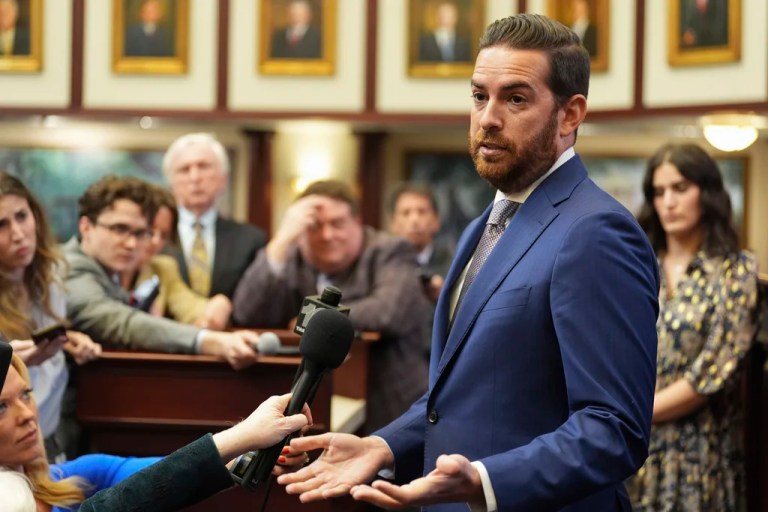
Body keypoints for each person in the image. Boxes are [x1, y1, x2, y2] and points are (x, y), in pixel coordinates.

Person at [277, 14, 660, 511]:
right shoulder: (483, 225)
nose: (488, 118)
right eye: (480, 96)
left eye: (515, 99)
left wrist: (485, 480)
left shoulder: (596, 232)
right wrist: (383, 446)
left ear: (570, 115)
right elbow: (458, 396)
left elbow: (615, 428)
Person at [232, 179, 430, 433]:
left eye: (337, 224)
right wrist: (281, 240)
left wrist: (313, 319)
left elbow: (388, 311)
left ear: (357, 222)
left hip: (387, 412)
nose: (327, 235)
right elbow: (246, 312)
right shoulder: (292, 256)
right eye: (315, 226)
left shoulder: (390, 250)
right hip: (305, 410)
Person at [0, 352, 311, 512]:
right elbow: (118, 504)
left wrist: (257, 454)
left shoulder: (68, 477)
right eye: (1, 407)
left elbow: (163, 476)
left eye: (26, 394)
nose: (26, 414)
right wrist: (243, 436)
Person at [627, 143, 758, 511]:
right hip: (633, 448)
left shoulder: (734, 270)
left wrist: (629, 413)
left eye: (680, 188)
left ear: (707, 192)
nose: (668, 202)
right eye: (659, 192)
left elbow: (712, 372)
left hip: (699, 454)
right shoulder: (639, 264)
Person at [62, 175, 259, 369]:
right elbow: (120, 322)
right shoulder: (68, 267)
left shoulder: (113, 268)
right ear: (86, 227)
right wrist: (209, 341)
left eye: (140, 233)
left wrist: (217, 307)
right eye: (120, 229)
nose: (131, 244)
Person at [0, 172, 102, 463]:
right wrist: (10, 363)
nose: (18, 234)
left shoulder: (52, 275)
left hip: (51, 443)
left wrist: (66, 339)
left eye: (22, 216)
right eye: (1, 225)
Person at [163, 132, 267, 300]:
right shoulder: (153, 238)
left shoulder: (251, 240)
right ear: (171, 183)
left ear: (223, 179)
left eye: (204, 167)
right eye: (184, 169)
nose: (195, 178)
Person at [120, 185, 232, 329]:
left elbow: (189, 306)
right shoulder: (100, 268)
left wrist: (218, 305)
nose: (156, 241)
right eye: (149, 230)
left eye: (163, 235)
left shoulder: (162, 268)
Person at [388, 182, 453, 303]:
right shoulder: (382, 266)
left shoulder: (453, 266)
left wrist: (446, 297)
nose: (414, 220)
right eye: (406, 213)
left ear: (436, 221)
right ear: (393, 223)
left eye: (422, 212)